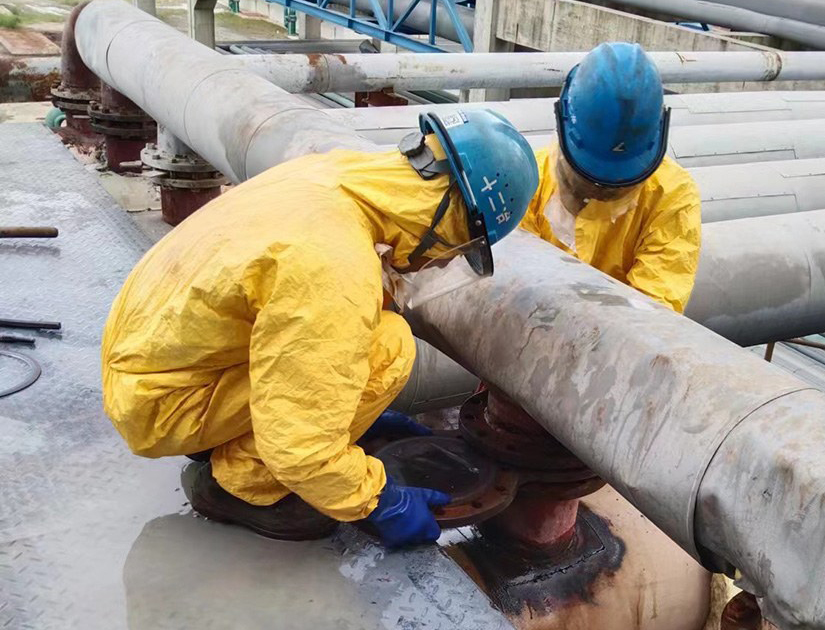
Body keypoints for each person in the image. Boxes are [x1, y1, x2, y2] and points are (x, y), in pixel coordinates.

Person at [101, 110, 539, 548]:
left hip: (157, 364)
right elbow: (301, 444)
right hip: (163, 405)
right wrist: (376, 499)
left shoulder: (333, 176)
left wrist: (354, 410)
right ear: (447, 215)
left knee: (359, 341)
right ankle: (244, 487)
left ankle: (225, 439)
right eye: (454, 246)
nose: (441, 261)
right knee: (389, 347)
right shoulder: (334, 264)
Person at [521, 42, 701, 314]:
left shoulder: (672, 197)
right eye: (585, 182)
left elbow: (652, 311)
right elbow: (514, 282)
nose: (599, 195)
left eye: (614, 190)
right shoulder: (529, 179)